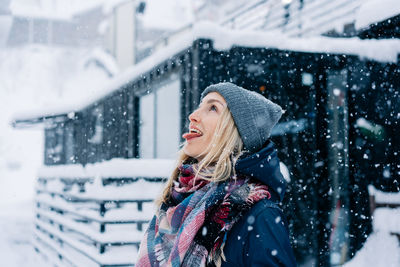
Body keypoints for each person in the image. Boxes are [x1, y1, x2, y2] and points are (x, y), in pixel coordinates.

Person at [137, 82, 297, 267]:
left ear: (236, 133)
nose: (193, 116)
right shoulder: (179, 201)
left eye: (213, 108)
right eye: (200, 106)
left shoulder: (261, 218)